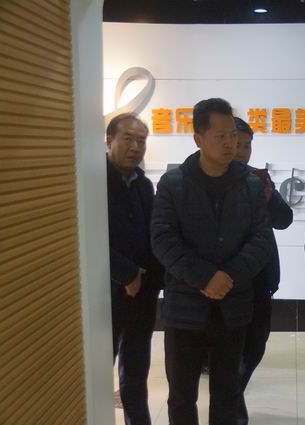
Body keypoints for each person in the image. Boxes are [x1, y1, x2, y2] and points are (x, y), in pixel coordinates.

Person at [151, 98, 272, 425]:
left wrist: (228, 276)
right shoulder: (173, 184)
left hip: (233, 307)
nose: (230, 143)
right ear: (198, 139)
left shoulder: (250, 183)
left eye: (232, 135)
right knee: (181, 396)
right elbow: (162, 240)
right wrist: (205, 277)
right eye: (220, 136)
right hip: (184, 308)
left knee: (227, 394)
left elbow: (261, 239)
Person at [233, 117, 294, 425]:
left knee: (255, 347)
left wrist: (269, 198)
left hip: (261, 281)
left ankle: (232, 397)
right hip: (227, 284)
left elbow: (284, 220)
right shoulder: (208, 182)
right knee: (229, 351)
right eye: (236, 144)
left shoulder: (258, 178)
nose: (241, 152)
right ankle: (232, 407)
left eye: (247, 146)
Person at [106, 112, 163, 425]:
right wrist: (125, 273)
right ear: (109, 140)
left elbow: (153, 235)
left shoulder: (143, 184)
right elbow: (87, 236)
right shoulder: (92, 181)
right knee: (98, 366)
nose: (135, 147)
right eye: (127, 139)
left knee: (137, 371)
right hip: (105, 293)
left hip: (142, 293)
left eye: (141, 140)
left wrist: (154, 278)